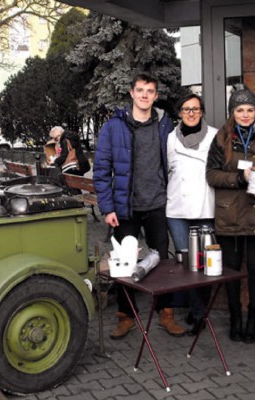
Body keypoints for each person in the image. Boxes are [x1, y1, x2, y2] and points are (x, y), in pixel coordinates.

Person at [94, 73, 186, 339]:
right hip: (126, 208)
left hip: (158, 204)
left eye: (150, 91)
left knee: (162, 260)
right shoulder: (114, 126)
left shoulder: (165, 125)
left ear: (156, 96)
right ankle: (126, 315)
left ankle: (166, 314)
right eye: (140, 90)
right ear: (132, 94)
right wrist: (108, 208)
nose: (145, 95)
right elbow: (101, 170)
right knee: (125, 263)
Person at [205, 87, 255, 343]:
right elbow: (212, 175)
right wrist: (241, 177)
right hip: (231, 214)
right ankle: (235, 317)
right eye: (239, 110)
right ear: (232, 113)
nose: (245, 115)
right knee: (232, 269)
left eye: (250, 110)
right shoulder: (222, 138)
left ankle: (253, 317)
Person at [166, 93, 218, 335]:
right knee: (186, 264)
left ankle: (199, 311)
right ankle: (198, 311)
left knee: (204, 264)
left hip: (204, 208)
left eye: (195, 109)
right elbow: (168, 170)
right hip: (177, 209)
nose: (191, 113)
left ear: (202, 112)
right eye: (186, 109)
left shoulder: (214, 135)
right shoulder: (169, 139)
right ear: (179, 113)